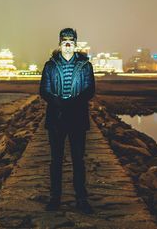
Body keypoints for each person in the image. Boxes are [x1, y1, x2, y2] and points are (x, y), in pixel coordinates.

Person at [39, 28, 96, 214]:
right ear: (60, 43)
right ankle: (55, 198)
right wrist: (59, 103)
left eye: (71, 41)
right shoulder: (50, 65)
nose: (68, 44)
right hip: (56, 119)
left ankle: (81, 198)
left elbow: (90, 90)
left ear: (76, 43)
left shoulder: (86, 65)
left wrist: (72, 103)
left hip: (77, 118)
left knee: (78, 160)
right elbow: (44, 90)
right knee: (56, 160)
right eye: (65, 41)